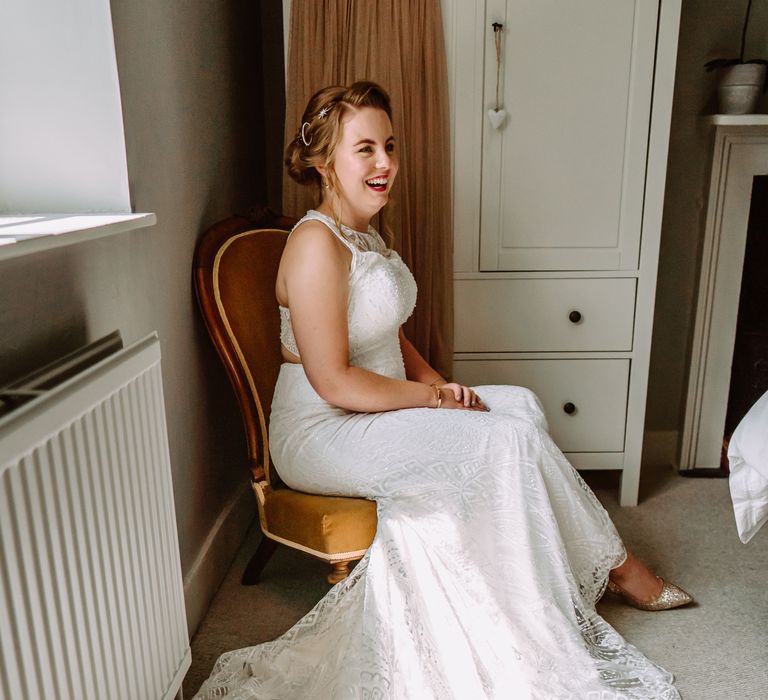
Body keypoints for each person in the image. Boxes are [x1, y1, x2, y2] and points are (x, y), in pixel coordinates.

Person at [195, 81, 693, 699]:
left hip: (377, 404)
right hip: (324, 428)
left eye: (391, 146)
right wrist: (432, 402)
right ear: (325, 162)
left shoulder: (366, 236)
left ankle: (529, 578)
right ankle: (622, 570)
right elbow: (333, 378)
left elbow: (388, 338)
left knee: (517, 405)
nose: (386, 165)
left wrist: (441, 384)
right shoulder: (315, 245)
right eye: (366, 150)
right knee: (505, 439)